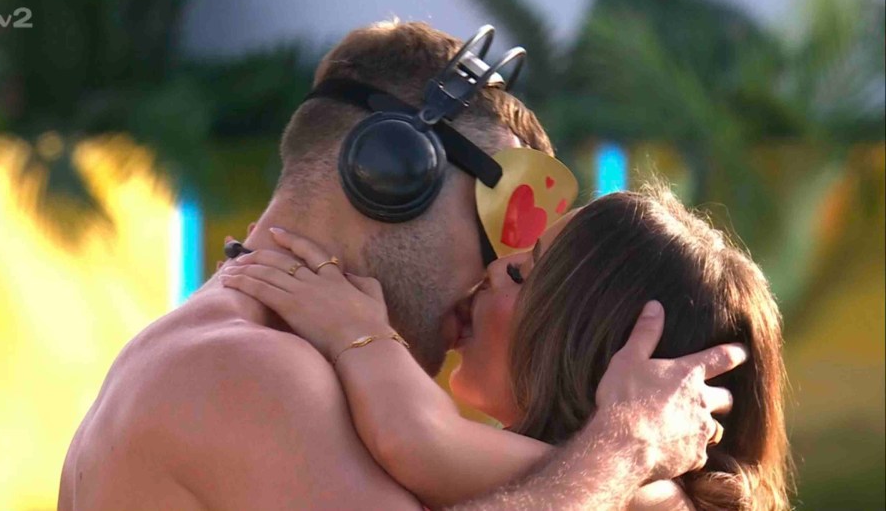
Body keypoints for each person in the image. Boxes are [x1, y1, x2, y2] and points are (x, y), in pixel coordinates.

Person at [58, 21, 746, 510]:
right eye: (497, 227)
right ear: (391, 174)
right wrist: (626, 445)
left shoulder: (276, 358)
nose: (495, 279)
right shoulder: (247, 368)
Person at [219, 186, 791, 510]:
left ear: (585, 348)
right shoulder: (597, 476)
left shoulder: (657, 499)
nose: (491, 270)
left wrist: (356, 331)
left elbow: (414, 439)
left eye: (524, 276)